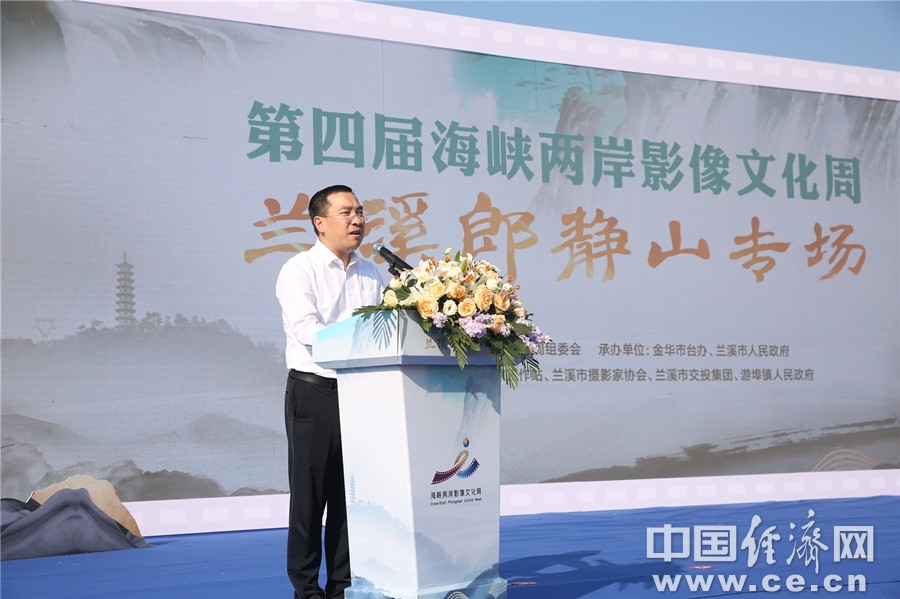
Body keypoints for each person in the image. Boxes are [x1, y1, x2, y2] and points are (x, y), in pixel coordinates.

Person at [275, 184, 384, 599]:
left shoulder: (372, 273)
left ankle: (343, 588)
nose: (357, 220)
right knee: (309, 499)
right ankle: (307, 591)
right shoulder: (299, 269)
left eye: (360, 212)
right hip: (314, 392)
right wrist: (361, 339)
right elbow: (307, 330)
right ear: (320, 223)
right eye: (346, 212)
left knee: (349, 499)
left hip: (362, 394)